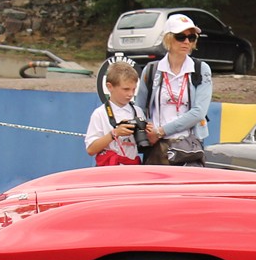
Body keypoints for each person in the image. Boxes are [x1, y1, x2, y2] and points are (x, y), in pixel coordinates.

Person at [137, 13, 212, 165]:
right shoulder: (151, 70)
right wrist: (147, 130)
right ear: (168, 38)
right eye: (180, 37)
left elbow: (199, 112)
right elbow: (139, 108)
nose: (186, 42)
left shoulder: (201, 69)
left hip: (188, 146)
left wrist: (161, 131)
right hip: (157, 147)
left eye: (191, 37)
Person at [87, 61, 144, 165]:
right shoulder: (100, 113)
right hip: (109, 168)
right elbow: (91, 149)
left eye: (134, 89)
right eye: (126, 89)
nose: (130, 94)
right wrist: (114, 134)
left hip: (132, 166)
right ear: (110, 87)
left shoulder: (137, 111)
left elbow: (145, 143)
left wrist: (149, 132)